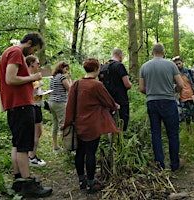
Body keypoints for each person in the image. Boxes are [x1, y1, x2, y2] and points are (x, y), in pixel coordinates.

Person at [0, 32, 52, 197]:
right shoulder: (15, 52)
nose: (33, 54)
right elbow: (10, 79)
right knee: (24, 147)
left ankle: (18, 181)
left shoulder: (9, 52)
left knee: (17, 144)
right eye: (34, 50)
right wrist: (32, 78)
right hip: (21, 106)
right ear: (28, 43)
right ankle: (28, 185)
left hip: (15, 106)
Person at [61, 57, 120, 194]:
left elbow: (70, 105)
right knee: (90, 153)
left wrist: (67, 123)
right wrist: (115, 106)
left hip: (79, 124)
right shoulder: (97, 85)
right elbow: (108, 101)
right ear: (97, 69)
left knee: (80, 152)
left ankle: (82, 180)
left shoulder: (76, 84)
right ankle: (91, 182)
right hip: (93, 125)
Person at [139, 43, 184, 171]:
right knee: (173, 134)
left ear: (152, 52)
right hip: (168, 101)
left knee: (156, 133)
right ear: (163, 52)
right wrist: (173, 91)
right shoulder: (171, 65)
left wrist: (153, 92)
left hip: (152, 102)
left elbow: (142, 88)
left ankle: (159, 164)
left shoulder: (144, 67)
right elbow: (181, 85)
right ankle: (175, 164)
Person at [99, 49, 132, 131]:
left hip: (107, 100)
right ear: (120, 56)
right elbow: (127, 85)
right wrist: (131, 84)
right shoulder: (120, 66)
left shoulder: (103, 67)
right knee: (121, 123)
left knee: (109, 124)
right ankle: (119, 141)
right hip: (120, 99)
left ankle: (111, 142)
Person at [26, 55, 46, 167]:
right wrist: (38, 85)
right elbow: (28, 91)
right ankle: (31, 157)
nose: (39, 65)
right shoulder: (28, 77)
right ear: (32, 63)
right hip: (32, 106)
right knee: (36, 133)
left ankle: (32, 155)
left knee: (38, 133)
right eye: (37, 63)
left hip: (37, 105)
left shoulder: (34, 76)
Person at [49, 61, 71, 151]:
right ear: (61, 68)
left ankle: (56, 146)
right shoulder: (62, 77)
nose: (66, 71)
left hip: (52, 102)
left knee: (55, 123)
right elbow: (70, 88)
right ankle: (66, 146)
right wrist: (69, 79)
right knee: (63, 124)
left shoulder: (53, 77)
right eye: (66, 68)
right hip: (60, 103)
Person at [172, 56, 194, 127]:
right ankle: (187, 133)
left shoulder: (190, 72)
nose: (178, 65)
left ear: (182, 63)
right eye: (176, 64)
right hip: (181, 99)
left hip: (192, 97)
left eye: (179, 63)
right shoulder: (173, 75)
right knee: (184, 119)